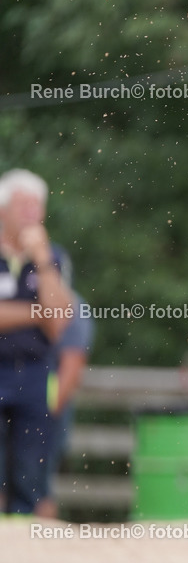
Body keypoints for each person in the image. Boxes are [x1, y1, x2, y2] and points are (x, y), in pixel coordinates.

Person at [0, 168, 73, 514]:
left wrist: (43, 263)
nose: (31, 214)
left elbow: (58, 321)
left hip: (35, 374)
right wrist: (36, 313)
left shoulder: (53, 258)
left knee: (30, 470)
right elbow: (48, 313)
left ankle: (24, 546)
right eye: (22, 205)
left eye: (36, 206)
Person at [35, 292, 95, 519]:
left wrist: (43, 416)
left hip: (43, 409)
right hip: (26, 406)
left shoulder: (73, 307)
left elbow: (71, 367)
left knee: (37, 488)